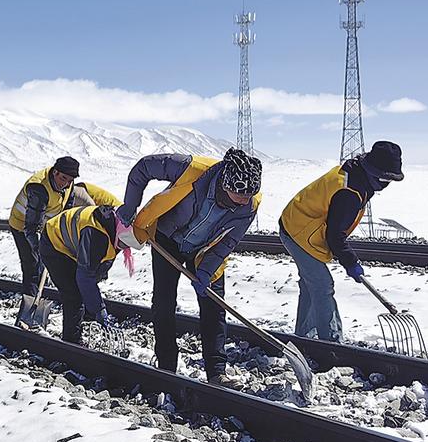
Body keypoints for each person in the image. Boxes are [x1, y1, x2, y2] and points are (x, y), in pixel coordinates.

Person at [118, 148, 263, 380]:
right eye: (239, 197)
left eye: (248, 197)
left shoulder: (249, 206)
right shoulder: (191, 168)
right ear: (225, 185)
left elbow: (228, 243)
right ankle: (166, 366)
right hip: (167, 239)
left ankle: (216, 372)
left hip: (204, 251)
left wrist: (206, 271)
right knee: (164, 303)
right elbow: (143, 168)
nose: (243, 202)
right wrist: (129, 205)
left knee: (214, 306)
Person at [279, 140, 403, 342]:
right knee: (321, 285)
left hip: (299, 224)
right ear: (374, 172)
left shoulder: (358, 175)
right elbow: (335, 235)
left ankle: (305, 338)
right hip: (299, 232)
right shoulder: (349, 190)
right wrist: (351, 262)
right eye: (385, 179)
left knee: (312, 286)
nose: (386, 185)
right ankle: (331, 343)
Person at [40, 204, 141, 347]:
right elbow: (85, 276)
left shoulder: (116, 225)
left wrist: (94, 304)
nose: (123, 248)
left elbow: (97, 265)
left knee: (84, 290)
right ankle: (71, 342)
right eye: (123, 244)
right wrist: (99, 309)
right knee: (73, 295)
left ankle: (85, 319)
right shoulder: (96, 234)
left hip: (73, 246)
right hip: (53, 244)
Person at [7, 157, 83, 305]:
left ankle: (38, 296)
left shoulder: (68, 184)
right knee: (32, 264)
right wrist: (41, 251)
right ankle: (28, 307)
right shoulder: (38, 188)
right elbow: (31, 228)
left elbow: (66, 210)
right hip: (22, 225)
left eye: (70, 180)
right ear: (55, 172)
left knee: (44, 265)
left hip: (43, 225)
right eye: (63, 179)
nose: (66, 184)